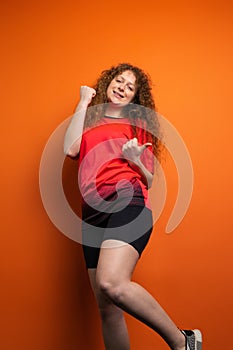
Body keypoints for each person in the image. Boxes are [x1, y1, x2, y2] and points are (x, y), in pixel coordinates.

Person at [63, 63, 202, 350]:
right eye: (119, 81)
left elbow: (149, 179)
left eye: (130, 87)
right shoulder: (90, 117)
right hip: (92, 214)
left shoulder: (138, 124)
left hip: (128, 201)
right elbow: (71, 149)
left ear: (135, 98)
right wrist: (83, 101)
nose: (122, 87)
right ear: (107, 83)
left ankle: (182, 341)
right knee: (107, 308)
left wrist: (135, 159)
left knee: (112, 283)